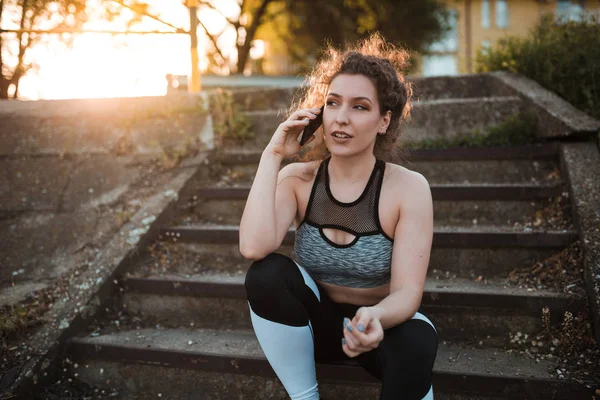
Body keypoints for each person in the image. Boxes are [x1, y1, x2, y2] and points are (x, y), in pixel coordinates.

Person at [239, 33, 437, 400]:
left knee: (417, 341)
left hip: (380, 326)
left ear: (383, 120)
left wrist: (374, 319)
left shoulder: (408, 188)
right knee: (266, 274)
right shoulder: (297, 180)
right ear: (320, 111)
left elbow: (408, 292)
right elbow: (253, 246)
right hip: (317, 329)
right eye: (333, 103)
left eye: (360, 107)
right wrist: (272, 156)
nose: (341, 118)